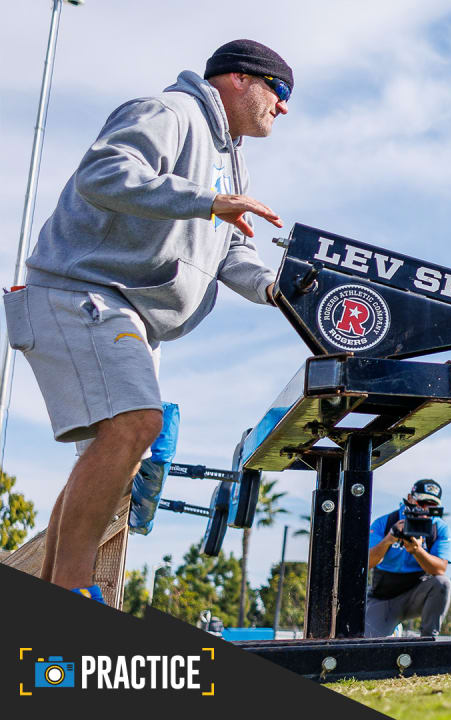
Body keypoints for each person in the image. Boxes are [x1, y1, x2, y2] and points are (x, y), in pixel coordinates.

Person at [3, 39, 293, 603]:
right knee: (137, 424)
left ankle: (55, 589)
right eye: (278, 92)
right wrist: (207, 199)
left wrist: (274, 289)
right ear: (238, 79)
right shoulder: (169, 112)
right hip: (82, 292)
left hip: (127, 313)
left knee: (115, 445)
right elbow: (104, 175)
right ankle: (73, 590)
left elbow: (228, 250)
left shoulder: (232, 162)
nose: (283, 108)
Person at [366, 479, 451, 638]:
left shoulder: (439, 528)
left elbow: (440, 569)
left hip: (417, 593)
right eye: (421, 501)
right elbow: (368, 563)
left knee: (443, 583)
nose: (424, 508)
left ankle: (427, 641)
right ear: (410, 498)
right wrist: (389, 539)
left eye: (431, 505)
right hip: (384, 596)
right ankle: (392, 629)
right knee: (369, 644)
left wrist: (417, 550)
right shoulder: (384, 523)